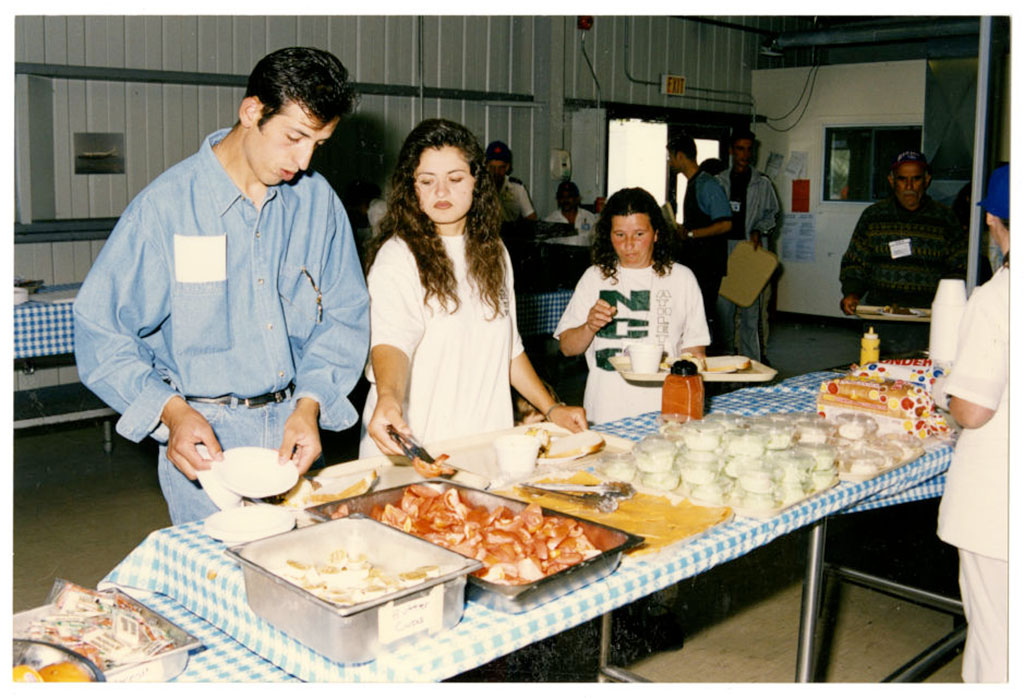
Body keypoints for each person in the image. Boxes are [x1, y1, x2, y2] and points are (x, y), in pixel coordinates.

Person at [73, 47, 369, 525]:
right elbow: (99, 329)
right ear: (252, 112)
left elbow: (344, 316)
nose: (305, 159)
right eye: (295, 137)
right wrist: (169, 413)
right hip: (205, 439)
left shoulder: (318, 205)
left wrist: (310, 403)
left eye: (319, 143)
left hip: (292, 428)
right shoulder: (166, 209)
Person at [360, 119, 586, 457]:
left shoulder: (494, 251)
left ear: (476, 181)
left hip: (485, 444)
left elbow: (510, 350)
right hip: (416, 449)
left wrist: (551, 408)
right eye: (426, 181)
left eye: (454, 179)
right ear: (412, 188)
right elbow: (392, 344)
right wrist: (389, 399)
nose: (441, 192)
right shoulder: (399, 257)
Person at [934, 164, 1008, 683]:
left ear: (995, 225)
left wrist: (945, 389)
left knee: (997, 645)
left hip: (998, 510)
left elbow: (973, 410)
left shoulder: (997, 297)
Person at [555, 187, 710, 424]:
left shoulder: (682, 279)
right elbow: (567, 347)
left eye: (639, 234)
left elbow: (696, 353)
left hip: (665, 411)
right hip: (605, 412)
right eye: (619, 235)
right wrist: (589, 326)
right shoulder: (594, 278)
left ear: (656, 234)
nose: (629, 245)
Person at [839, 150, 966, 354]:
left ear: (927, 180)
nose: (909, 187)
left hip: (929, 318)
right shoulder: (873, 216)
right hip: (881, 316)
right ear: (891, 181)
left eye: (916, 179)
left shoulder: (945, 219)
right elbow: (855, 262)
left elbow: (959, 267)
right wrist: (851, 293)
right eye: (902, 179)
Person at [714, 129, 780, 362]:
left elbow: (772, 214)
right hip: (725, 251)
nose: (745, 154)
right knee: (724, 313)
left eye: (749, 149)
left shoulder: (762, 184)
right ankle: (725, 362)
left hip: (750, 251)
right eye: (740, 149)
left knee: (752, 314)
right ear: (732, 151)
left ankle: (752, 365)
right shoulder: (718, 182)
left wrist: (758, 230)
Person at [667, 132, 732, 350]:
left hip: (708, 265)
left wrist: (692, 235)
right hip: (696, 263)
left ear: (680, 156)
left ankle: (713, 363)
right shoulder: (693, 184)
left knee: (706, 315)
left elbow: (725, 224)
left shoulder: (707, 184)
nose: (669, 162)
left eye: (670, 157)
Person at [485, 140, 538, 224]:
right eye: (492, 168)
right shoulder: (478, 187)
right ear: (486, 166)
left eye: (500, 168)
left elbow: (531, 219)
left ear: (507, 167)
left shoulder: (517, 189)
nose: (496, 172)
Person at [544, 180, 597, 245]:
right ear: (558, 199)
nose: (565, 200)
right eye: (562, 197)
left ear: (577, 199)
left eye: (569, 197)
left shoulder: (590, 218)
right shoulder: (550, 221)